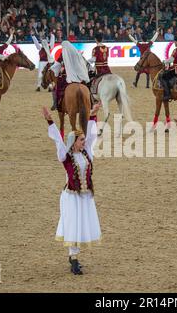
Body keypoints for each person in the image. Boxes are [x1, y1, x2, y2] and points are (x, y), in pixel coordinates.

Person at [42, 103, 102, 275]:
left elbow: (91, 136)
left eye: (83, 139)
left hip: (85, 197)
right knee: (73, 225)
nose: (84, 142)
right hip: (71, 197)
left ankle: (73, 256)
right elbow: (58, 141)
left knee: (81, 224)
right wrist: (50, 121)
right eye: (81, 140)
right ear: (74, 142)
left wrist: (93, 115)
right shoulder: (65, 156)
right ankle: (74, 259)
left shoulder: (86, 153)